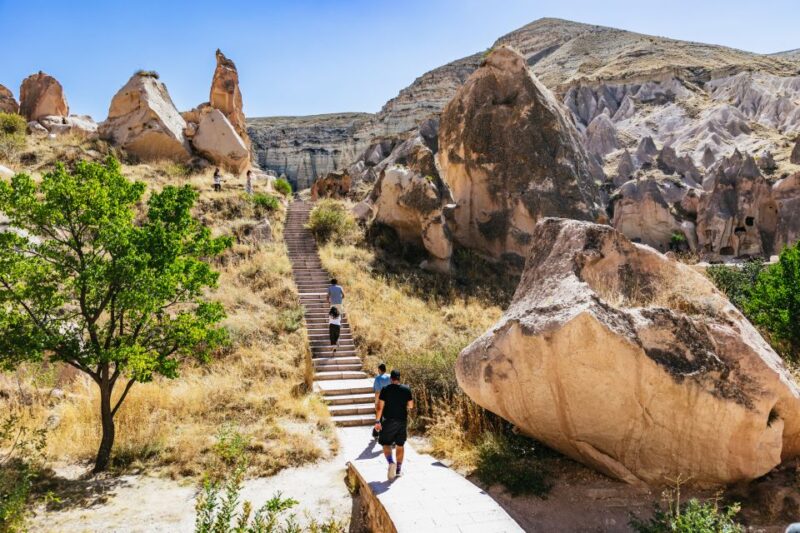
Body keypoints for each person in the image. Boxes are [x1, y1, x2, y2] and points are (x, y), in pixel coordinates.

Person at [375, 369, 413, 480]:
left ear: (390, 379)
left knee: (386, 444)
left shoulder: (385, 389)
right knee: (400, 445)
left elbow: (379, 407)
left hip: (388, 421)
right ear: (399, 378)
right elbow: (411, 406)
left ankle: (391, 462)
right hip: (402, 421)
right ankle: (398, 470)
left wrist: (377, 421)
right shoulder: (406, 389)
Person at [372, 364, 391, 439]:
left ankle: (376, 433)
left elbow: (377, 392)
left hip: (381, 401)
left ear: (379, 370)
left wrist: (376, 403)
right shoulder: (390, 377)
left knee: (378, 418)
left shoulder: (378, 378)